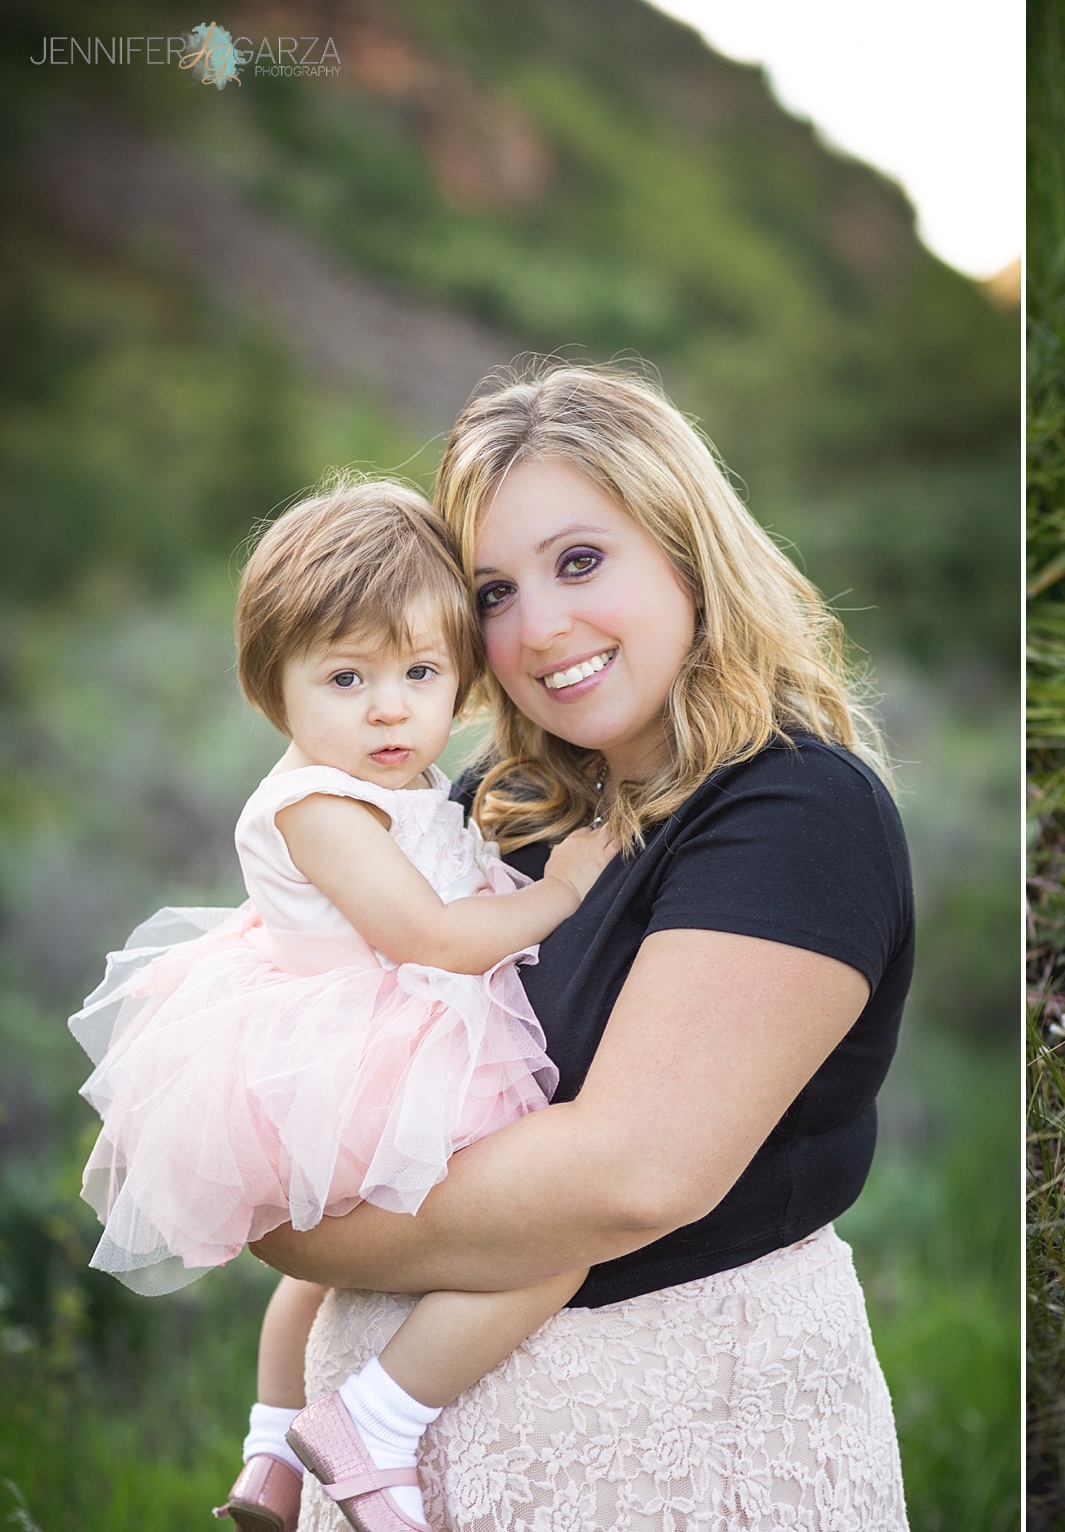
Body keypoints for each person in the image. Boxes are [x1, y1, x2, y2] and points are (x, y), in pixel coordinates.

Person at [250, 362, 915, 1532]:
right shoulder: (498, 801)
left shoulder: (796, 809)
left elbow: (632, 1172)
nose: (541, 626)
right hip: (396, 1481)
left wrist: (288, 1218)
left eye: (580, 561)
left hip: (674, 1461)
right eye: (494, 591)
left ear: (686, 551)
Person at [66, 480, 617, 1532]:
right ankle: (377, 1415)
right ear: (273, 685)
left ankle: (271, 1452)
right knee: (553, 1242)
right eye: (346, 676)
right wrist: (561, 890)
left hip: (353, 1032)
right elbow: (431, 936)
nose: (388, 707)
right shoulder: (318, 799)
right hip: (371, 1049)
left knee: (324, 1269)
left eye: (419, 672)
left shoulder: (372, 778)